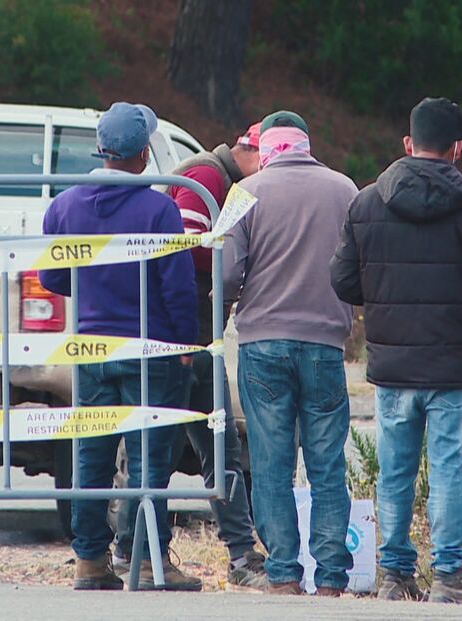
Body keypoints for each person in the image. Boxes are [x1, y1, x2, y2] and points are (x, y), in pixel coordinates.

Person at [330, 97, 462, 604]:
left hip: (393, 364)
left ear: (408, 144)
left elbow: (343, 280)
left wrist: (386, 294)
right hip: (454, 364)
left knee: (394, 469)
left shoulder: (367, 202)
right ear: (457, 148)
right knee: (449, 469)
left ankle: (393, 574)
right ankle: (449, 576)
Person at [39, 102, 201, 591]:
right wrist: (186, 342)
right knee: (148, 456)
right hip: (149, 347)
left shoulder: (64, 206)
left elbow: (51, 276)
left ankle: (90, 560)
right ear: (144, 152)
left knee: (92, 454)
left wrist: (94, 292)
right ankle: (146, 558)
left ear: (102, 149)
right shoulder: (160, 208)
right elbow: (177, 285)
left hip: (90, 347)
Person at [223, 110, 358, 596]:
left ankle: (282, 572)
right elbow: (358, 267)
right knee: (327, 465)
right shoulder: (346, 190)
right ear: (306, 144)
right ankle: (332, 578)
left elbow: (224, 273)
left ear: (266, 150)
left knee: (272, 463)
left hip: (262, 344)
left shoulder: (244, 193)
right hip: (325, 343)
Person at [161, 122, 268, 588]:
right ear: (255, 153)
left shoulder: (220, 179)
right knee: (205, 448)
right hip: (185, 337)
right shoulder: (206, 180)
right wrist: (235, 257)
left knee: (196, 449)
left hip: (190, 334)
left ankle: (137, 551)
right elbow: (184, 254)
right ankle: (239, 555)